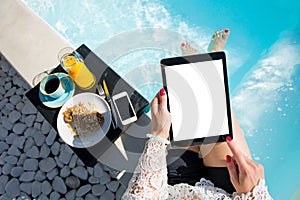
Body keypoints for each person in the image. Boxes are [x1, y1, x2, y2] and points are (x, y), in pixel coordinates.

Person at [122, 29, 272, 199]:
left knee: (196, 113)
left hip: (176, 188)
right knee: (214, 116)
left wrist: (159, 135)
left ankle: (204, 68)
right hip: (230, 193)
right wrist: (253, 195)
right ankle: (208, 66)